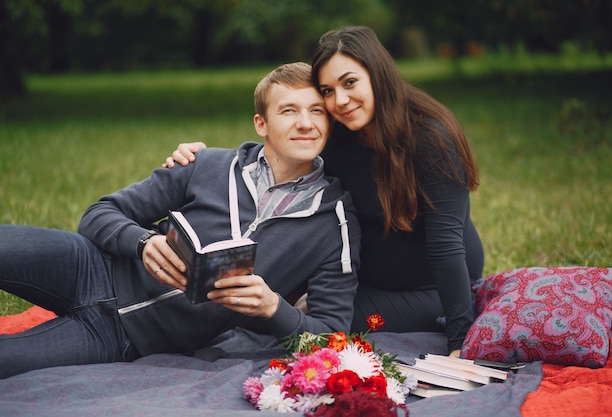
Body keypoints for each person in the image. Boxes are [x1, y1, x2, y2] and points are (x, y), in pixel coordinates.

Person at [0, 62, 360, 379]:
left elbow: (330, 339)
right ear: (261, 123)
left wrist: (273, 308)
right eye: (289, 111)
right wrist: (141, 243)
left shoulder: (336, 223)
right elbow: (99, 214)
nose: (305, 123)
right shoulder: (207, 165)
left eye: (316, 111)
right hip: (87, 266)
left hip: (122, 339)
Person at [165, 26, 482, 356]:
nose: (340, 101)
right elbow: (281, 151)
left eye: (349, 83)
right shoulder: (339, 135)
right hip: (360, 276)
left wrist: (462, 345)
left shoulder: (431, 139)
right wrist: (203, 159)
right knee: (266, 301)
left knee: (326, 327)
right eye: (328, 91)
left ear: (378, 75)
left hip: (432, 287)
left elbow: (446, 246)